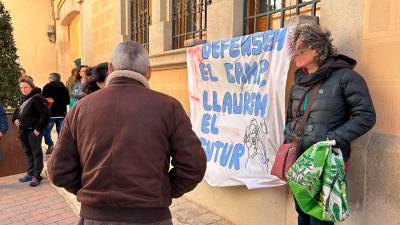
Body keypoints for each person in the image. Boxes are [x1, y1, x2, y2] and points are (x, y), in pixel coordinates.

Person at [48, 41, 207, 225]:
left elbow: (58, 171)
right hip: (152, 218)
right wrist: (163, 190)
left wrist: (91, 191)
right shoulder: (169, 107)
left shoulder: (80, 108)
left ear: (110, 68)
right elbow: (194, 166)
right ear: (149, 71)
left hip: (95, 218)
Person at [284, 24, 376, 225]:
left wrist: (332, 138)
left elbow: (366, 116)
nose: (295, 56)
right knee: (302, 213)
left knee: (321, 218)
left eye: (300, 51)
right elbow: (291, 118)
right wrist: (288, 135)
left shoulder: (346, 78)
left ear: (317, 49)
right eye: (293, 52)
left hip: (327, 160)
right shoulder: (298, 83)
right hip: (300, 160)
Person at [13, 78, 50, 187]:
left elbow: (46, 114)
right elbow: (16, 113)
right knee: (27, 152)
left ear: (31, 87)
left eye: (26, 87)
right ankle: (30, 173)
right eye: (21, 87)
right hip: (23, 131)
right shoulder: (22, 98)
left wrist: (38, 129)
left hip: (33, 131)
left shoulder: (37, 98)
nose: (23, 89)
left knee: (36, 153)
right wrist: (15, 120)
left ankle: (36, 176)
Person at [42, 72, 70, 154]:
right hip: (61, 113)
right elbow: (67, 101)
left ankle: (50, 145)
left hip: (50, 113)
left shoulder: (47, 87)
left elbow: (43, 99)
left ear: (51, 78)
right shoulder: (64, 88)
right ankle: (60, 147)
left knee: (46, 130)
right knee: (61, 132)